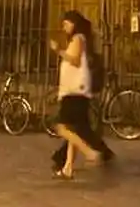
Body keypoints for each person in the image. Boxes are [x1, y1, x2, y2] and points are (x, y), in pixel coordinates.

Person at [48, 11, 112, 180]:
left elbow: (74, 60)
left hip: (74, 91)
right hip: (76, 90)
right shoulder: (80, 39)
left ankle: (90, 153)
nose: (64, 27)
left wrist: (58, 50)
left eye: (66, 23)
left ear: (74, 23)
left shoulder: (78, 38)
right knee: (75, 129)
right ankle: (68, 167)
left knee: (62, 127)